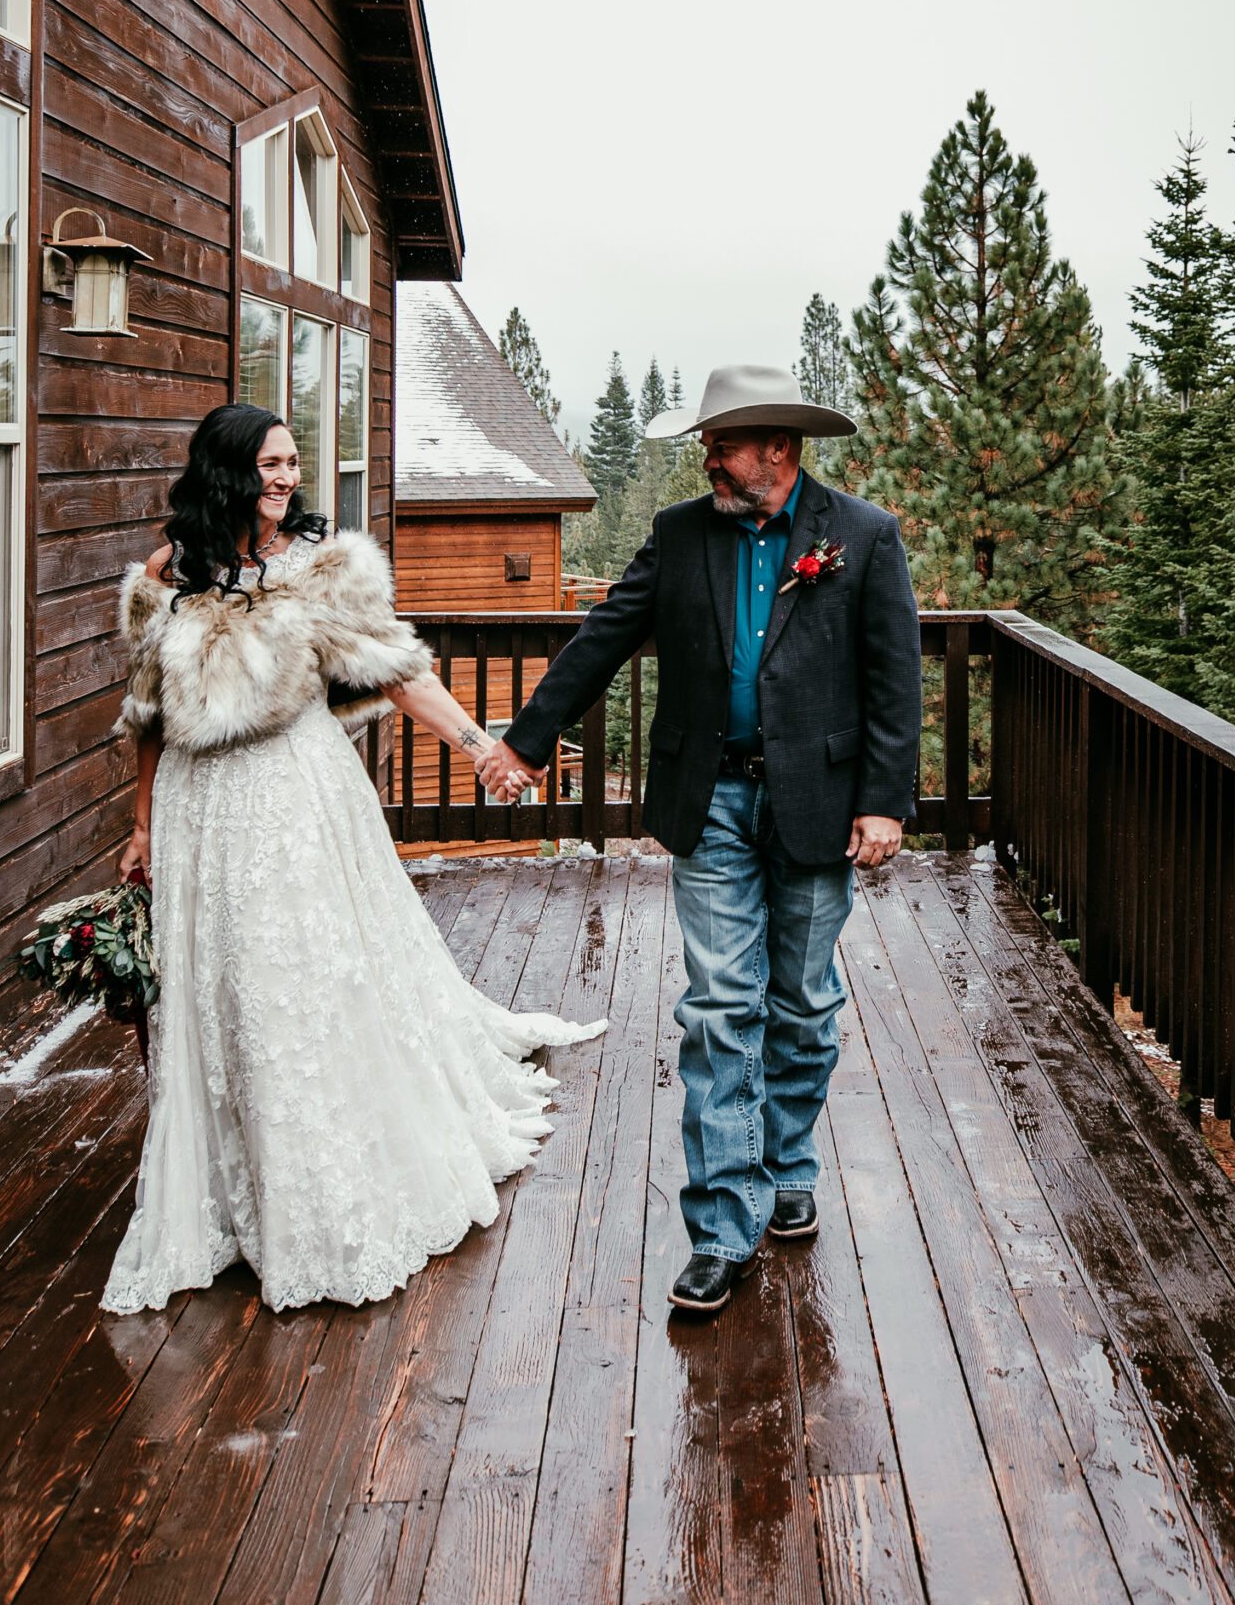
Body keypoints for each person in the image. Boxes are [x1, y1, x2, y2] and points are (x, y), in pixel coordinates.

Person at [102, 402, 603, 1315]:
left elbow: (399, 672)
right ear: (225, 473)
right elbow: (146, 715)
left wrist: (476, 745)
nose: (288, 478)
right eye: (270, 464)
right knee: (221, 986)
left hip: (296, 794)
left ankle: (322, 1175)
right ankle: (227, 1181)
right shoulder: (164, 575)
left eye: (293, 462)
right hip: (198, 808)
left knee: (298, 977)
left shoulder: (323, 568)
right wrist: (141, 825)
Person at [479, 363, 922, 1315]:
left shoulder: (862, 536)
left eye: (721, 443)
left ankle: (788, 1163)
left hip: (818, 801)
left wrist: (883, 802)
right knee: (720, 1006)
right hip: (709, 797)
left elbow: (894, 683)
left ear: (777, 449)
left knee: (801, 1001)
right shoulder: (680, 536)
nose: (709, 459)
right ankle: (723, 1224)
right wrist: (526, 737)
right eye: (709, 444)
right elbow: (603, 634)